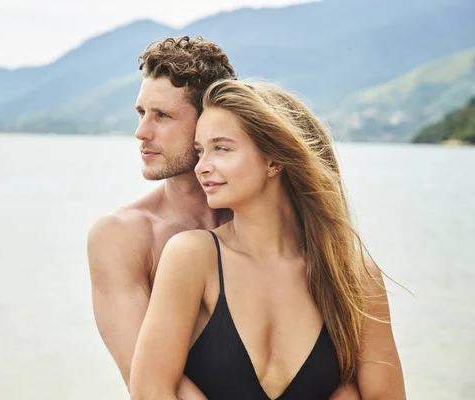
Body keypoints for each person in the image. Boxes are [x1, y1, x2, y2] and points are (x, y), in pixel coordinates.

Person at [89, 36, 361, 399]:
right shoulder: (122, 236)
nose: (142, 133)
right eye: (141, 114)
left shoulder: (280, 230)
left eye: (163, 116)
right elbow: (149, 385)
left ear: (209, 119)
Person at [129, 80, 406, 399]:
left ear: (274, 160)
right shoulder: (193, 256)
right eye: (200, 151)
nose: (202, 167)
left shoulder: (353, 274)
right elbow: (150, 391)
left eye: (221, 148)